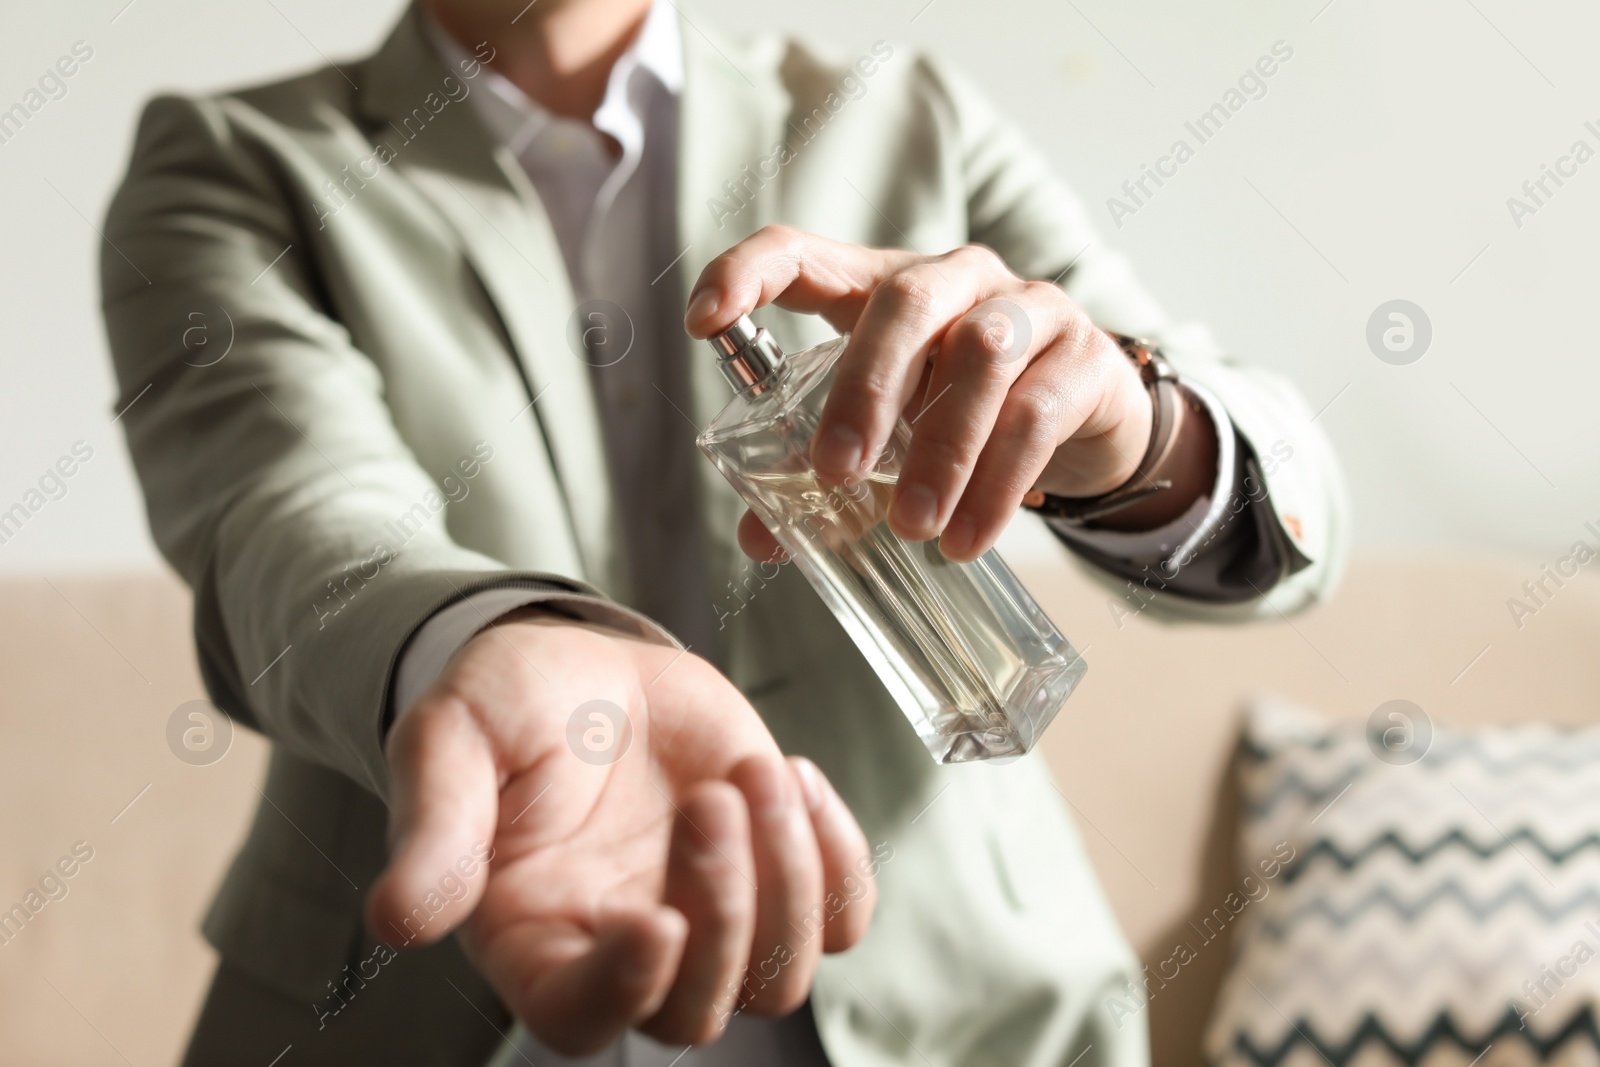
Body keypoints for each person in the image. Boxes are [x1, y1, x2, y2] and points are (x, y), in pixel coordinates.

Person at [100, 0, 1346, 1064]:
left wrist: (1131, 433)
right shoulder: (235, 164)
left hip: (965, 1009)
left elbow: (1294, 502)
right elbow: (288, 512)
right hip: (428, 1005)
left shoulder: (900, 115)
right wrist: (490, 640)